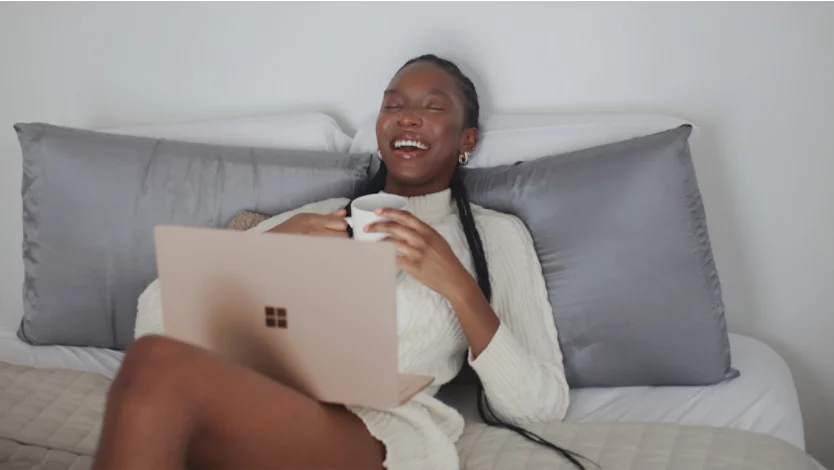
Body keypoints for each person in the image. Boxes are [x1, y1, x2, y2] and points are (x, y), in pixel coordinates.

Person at [95, 54, 584, 470]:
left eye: (431, 107)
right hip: (260, 404)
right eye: (393, 105)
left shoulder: (495, 236)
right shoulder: (316, 219)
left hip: (373, 431)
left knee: (159, 369)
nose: (406, 117)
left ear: (467, 140)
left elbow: (541, 406)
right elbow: (156, 319)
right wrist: (272, 247)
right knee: (155, 362)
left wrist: (456, 284)